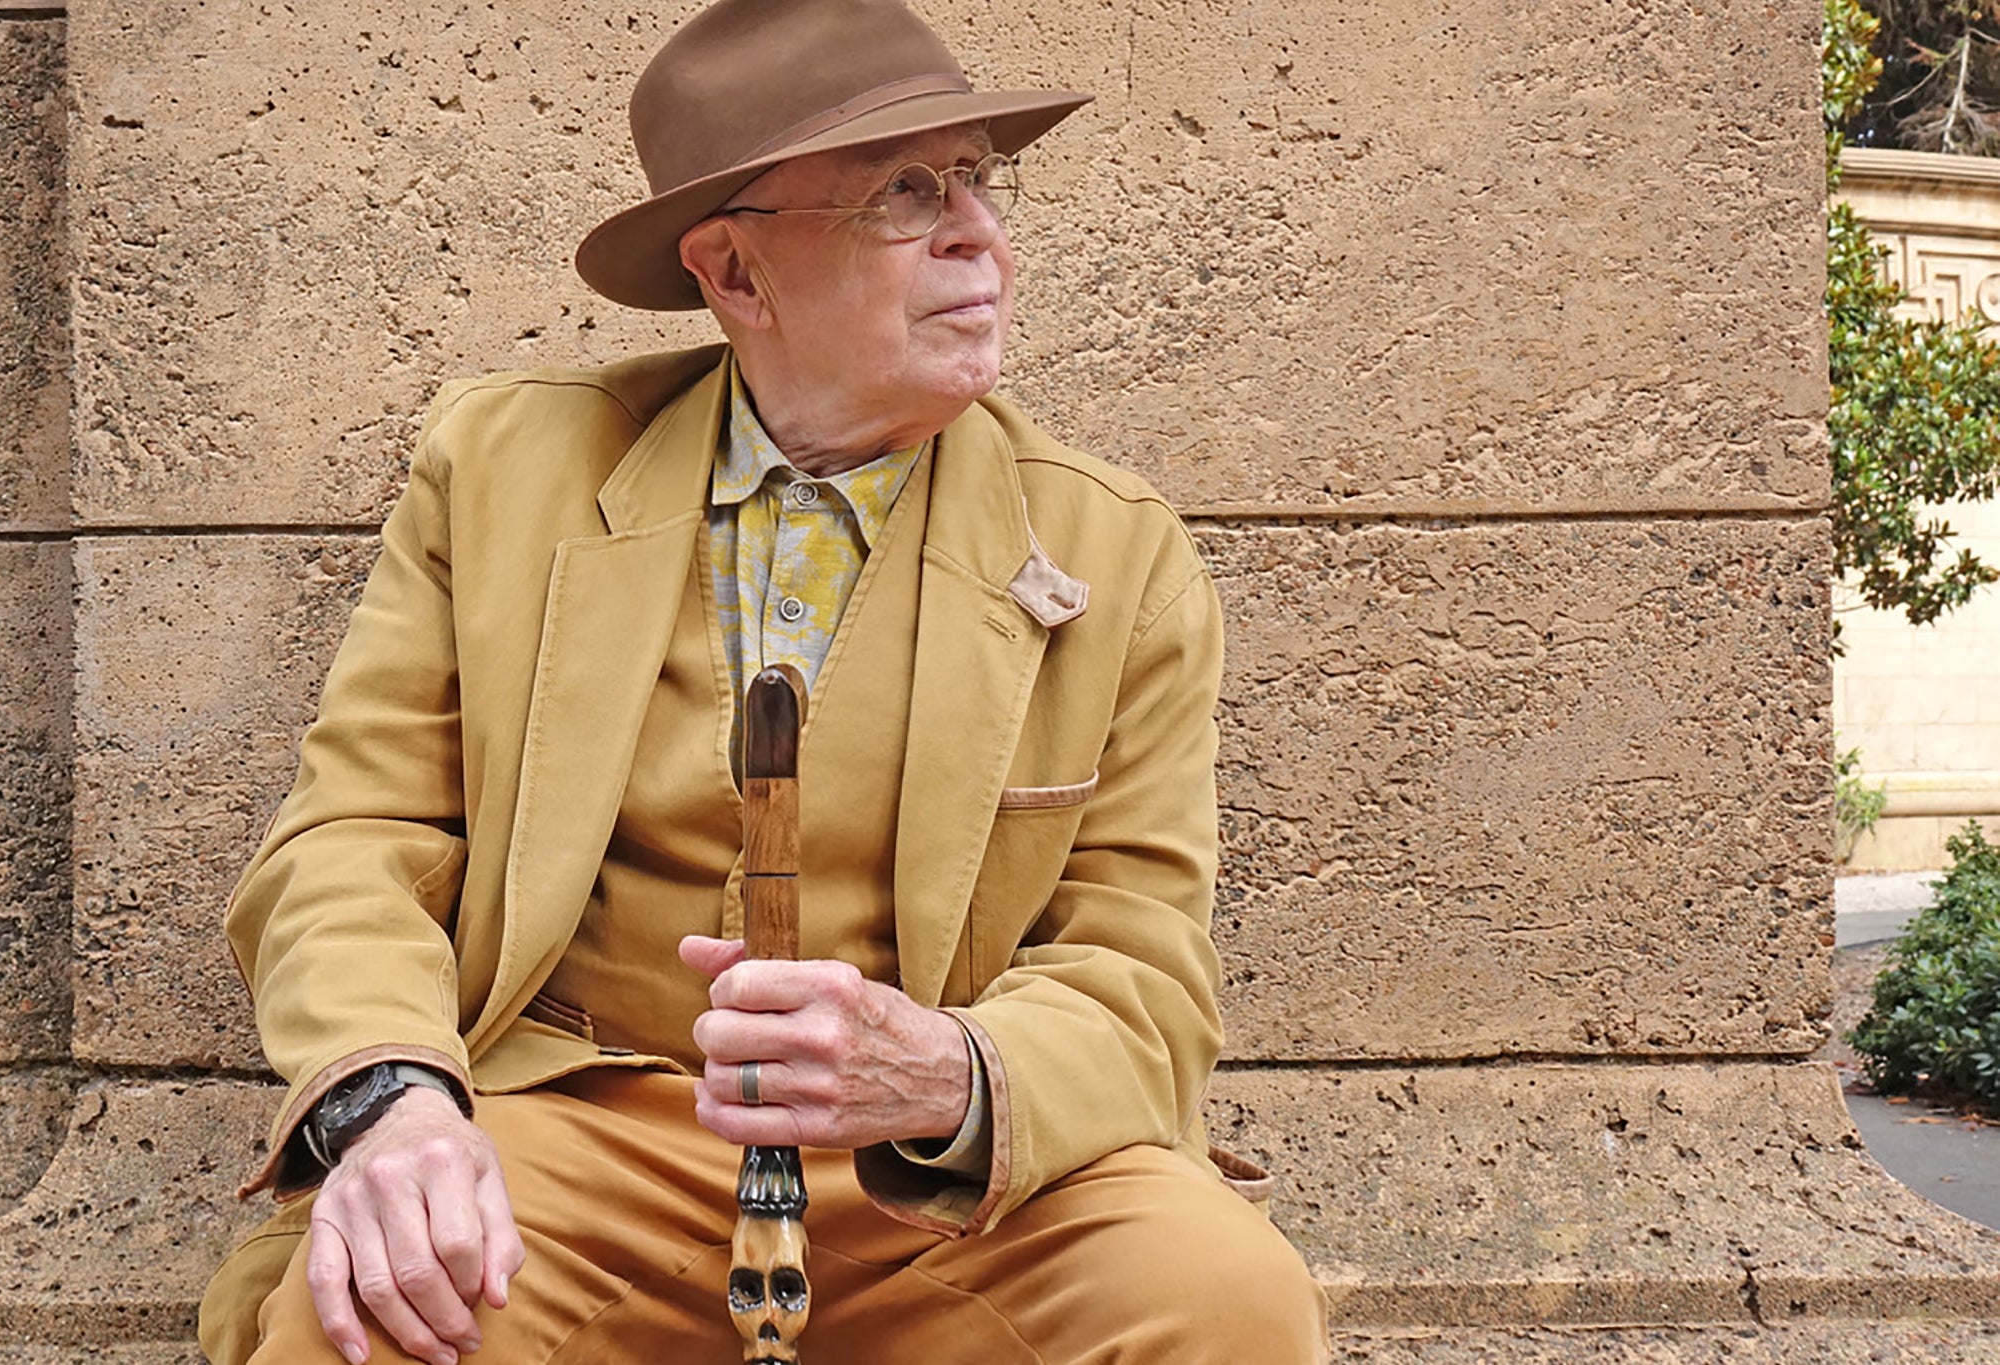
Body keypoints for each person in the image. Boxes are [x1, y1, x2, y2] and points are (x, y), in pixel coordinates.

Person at [198, 0, 1329, 1360]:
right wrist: (394, 1099)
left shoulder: (1108, 546)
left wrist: (947, 1072)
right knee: (379, 1316)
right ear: (734, 272)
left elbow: (1141, 959)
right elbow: (352, 840)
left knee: (1224, 1301)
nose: (979, 232)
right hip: (572, 1127)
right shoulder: (505, 473)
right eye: (901, 193)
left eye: (976, 178)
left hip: (929, 1176)